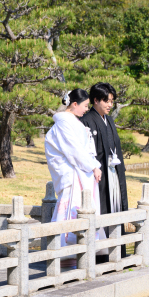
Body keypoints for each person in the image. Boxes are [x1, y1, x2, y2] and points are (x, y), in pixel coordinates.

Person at [44, 89, 102, 247]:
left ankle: (78, 248)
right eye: (85, 105)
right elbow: (74, 150)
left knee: (81, 207)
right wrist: (93, 166)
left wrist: (93, 165)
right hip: (72, 174)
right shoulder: (64, 123)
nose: (86, 109)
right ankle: (64, 249)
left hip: (79, 171)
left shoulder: (73, 122)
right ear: (74, 104)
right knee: (70, 208)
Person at [79, 82, 129, 255]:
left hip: (113, 172)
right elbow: (84, 151)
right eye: (106, 101)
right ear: (95, 100)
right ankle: (102, 254)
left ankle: (118, 251)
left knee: (116, 206)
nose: (110, 105)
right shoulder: (86, 121)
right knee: (102, 209)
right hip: (98, 176)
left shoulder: (109, 120)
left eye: (112, 101)